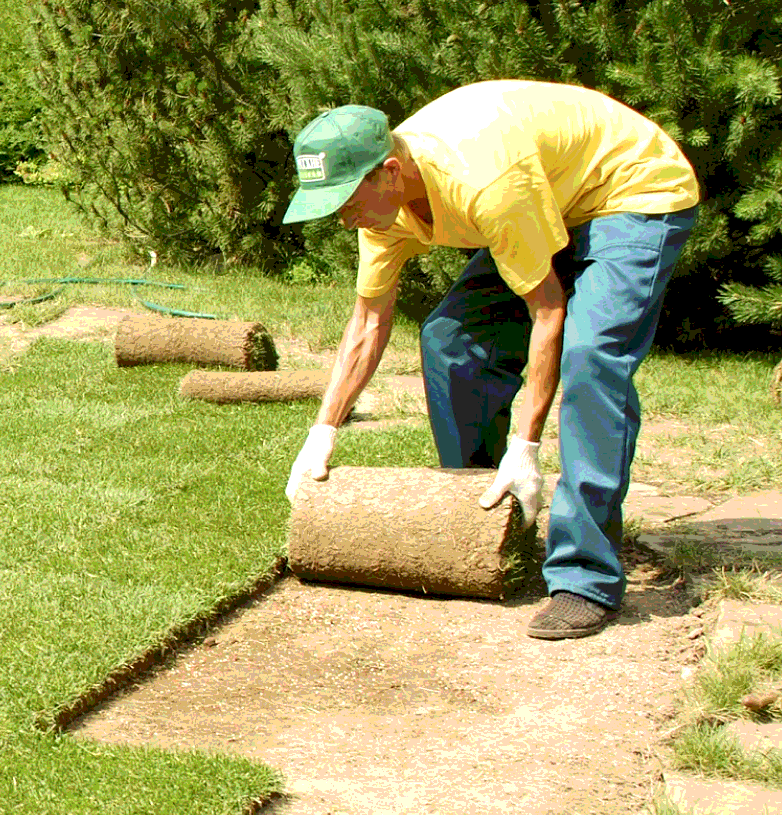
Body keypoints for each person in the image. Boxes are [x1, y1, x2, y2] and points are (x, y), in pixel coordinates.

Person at [281, 80, 700, 639]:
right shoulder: (385, 208)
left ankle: (584, 577)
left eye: (346, 202)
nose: (343, 219)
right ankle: (484, 520)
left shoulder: (482, 179)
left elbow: (548, 312)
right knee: (451, 340)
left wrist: (524, 448)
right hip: (546, 197)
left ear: (389, 171)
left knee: (591, 356)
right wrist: (323, 430)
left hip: (629, 190)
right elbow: (369, 322)